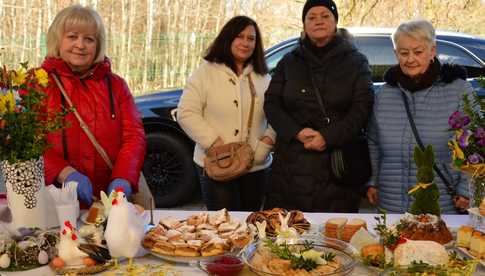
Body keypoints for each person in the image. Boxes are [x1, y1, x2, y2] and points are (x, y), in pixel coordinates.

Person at [264, 0, 374, 212]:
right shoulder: (288, 62)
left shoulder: (356, 61)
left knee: (334, 237)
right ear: (304, 25)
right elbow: (272, 103)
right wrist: (296, 132)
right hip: (290, 168)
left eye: (325, 16)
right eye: (311, 17)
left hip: (337, 166)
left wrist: (328, 137)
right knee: (287, 236)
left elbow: (362, 108)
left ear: (335, 22)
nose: (318, 21)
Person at [42, 5, 146, 207]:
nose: (80, 45)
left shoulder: (116, 85)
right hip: (54, 200)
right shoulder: (38, 83)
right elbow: (29, 143)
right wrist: (66, 174)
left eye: (89, 39)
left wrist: (123, 177)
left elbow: (134, 136)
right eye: (72, 36)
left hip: (109, 202)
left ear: (97, 46)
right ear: (58, 40)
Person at [366, 19, 471, 213]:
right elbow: (373, 141)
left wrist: (466, 189)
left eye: (418, 51)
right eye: (403, 53)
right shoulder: (385, 93)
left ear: (432, 51)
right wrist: (373, 180)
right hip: (391, 203)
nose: (410, 59)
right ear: (396, 53)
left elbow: (474, 144)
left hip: (442, 204)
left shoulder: (458, 90)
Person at [177, 16, 275, 211]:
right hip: (216, 165)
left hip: (255, 166)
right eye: (240, 36)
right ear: (228, 38)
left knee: (251, 224)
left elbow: (277, 114)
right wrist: (214, 143)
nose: (246, 43)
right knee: (222, 228)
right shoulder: (205, 73)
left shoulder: (264, 77)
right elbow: (186, 113)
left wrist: (267, 142)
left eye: (251, 38)